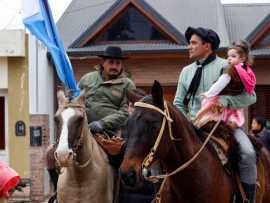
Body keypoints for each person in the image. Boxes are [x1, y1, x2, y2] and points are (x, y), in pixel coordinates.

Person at [173, 27, 257, 202]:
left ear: (207, 45)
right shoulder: (185, 71)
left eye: (193, 43)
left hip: (224, 125)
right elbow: (178, 103)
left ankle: (248, 199)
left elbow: (251, 96)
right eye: (189, 43)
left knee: (248, 153)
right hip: (192, 126)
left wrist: (226, 101)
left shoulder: (228, 65)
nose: (189, 46)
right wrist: (186, 124)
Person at [78, 46, 136, 166]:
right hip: (81, 128)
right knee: (52, 155)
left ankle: (120, 183)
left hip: (110, 132)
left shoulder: (127, 85)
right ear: (103, 63)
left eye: (118, 63)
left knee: (119, 159)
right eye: (111, 62)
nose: (114, 66)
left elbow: (126, 113)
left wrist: (102, 123)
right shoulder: (87, 78)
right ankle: (57, 183)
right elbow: (76, 100)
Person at [194, 41, 256, 130]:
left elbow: (252, 96)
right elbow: (219, 84)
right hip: (218, 103)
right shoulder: (229, 72)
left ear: (243, 58)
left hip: (232, 108)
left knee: (233, 126)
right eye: (228, 56)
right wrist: (209, 94)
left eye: (233, 56)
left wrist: (226, 100)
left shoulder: (246, 73)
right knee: (205, 117)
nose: (229, 59)